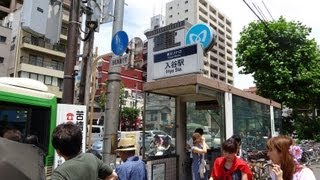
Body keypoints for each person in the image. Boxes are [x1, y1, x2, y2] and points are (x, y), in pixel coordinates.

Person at [51, 122, 117, 180]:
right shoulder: (91, 158)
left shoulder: (59, 174)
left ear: (58, 151)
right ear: (80, 143)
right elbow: (113, 176)